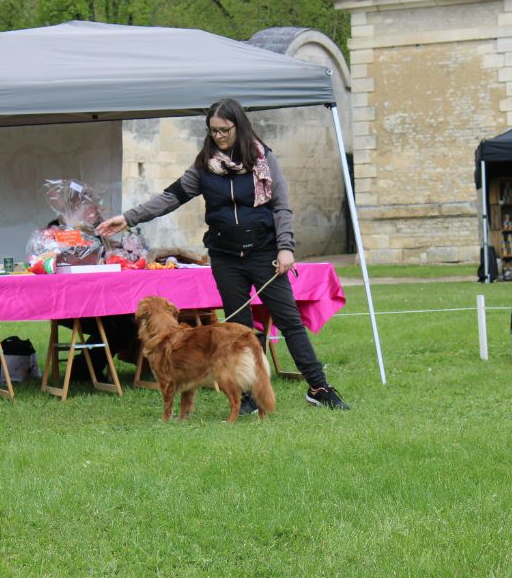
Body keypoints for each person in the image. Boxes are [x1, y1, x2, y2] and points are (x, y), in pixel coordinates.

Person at [96, 98, 349, 412]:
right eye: (213, 131)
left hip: (265, 253)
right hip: (226, 257)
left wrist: (285, 247)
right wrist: (128, 217)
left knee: (290, 321)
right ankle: (246, 398)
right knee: (238, 328)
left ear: (239, 126)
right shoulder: (204, 166)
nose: (219, 136)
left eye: (224, 130)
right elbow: (170, 197)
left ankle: (319, 388)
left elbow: (282, 206)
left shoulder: (263, 159)